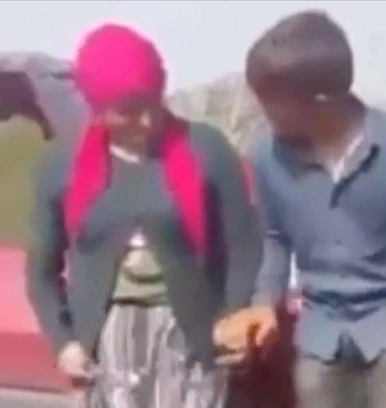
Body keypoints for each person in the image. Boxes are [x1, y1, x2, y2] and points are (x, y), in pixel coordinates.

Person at [232, 10, 386, 408]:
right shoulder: (266, 155)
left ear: (322, 100)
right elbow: (274, 237)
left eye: (273, 101)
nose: (264, 111)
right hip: (320, 336)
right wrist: (264, 303)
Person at [24, 23, 262, 408]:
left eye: (152, 103)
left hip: (193, 341)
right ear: (99, 109)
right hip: (107, 349)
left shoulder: (207, 149)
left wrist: (235, 318)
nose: (147, 121)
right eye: (129, 112)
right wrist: (64, 343)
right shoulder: (61, 167)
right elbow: (41, 272)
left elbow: (244, 247)